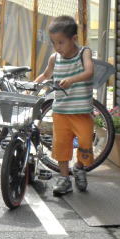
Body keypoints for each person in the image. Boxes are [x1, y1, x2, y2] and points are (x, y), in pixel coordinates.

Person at [34, 15, 94, 196]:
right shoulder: (54, 58)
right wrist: (33, 87)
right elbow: (45, 75)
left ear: (73, 39)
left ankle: (79, 167)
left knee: (85, 143)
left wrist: (71, 80)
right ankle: (64, 178)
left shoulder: (84, 53)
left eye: (61, 42)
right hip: (60, 112)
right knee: (61, 146)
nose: (57, 47)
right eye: (54, 43)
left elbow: (89, 71)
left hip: (82, 112)